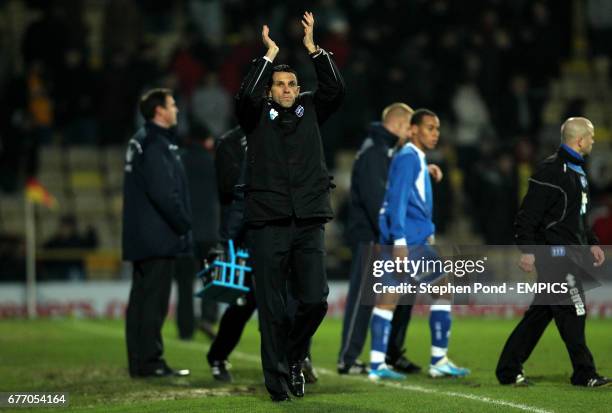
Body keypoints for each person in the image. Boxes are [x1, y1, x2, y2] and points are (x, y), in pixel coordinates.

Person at [235, 12, 344, 401]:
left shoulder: (311, 109)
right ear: (270, 90)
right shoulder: (255, 116)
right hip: (268, 221)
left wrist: (313, 49)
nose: (285, 89)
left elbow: (335, 89)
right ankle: (278, 383)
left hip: (309, 218)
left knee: (315, 300)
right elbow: (244, 95)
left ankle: (295, 356)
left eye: (291, 84)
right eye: (279, 85)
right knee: (272, 307)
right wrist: (269, 55)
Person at [496, 117, 611, 388]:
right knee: (575, 310)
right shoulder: (550, 171)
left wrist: (591, 241)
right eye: (591, 136)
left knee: (540, 315)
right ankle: (584, 372)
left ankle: (508, 369)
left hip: (570, 254)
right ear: (580, 140)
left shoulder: (577, 171)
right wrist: (527, 250)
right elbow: (527, 217)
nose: (594, 140)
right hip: (555, 256)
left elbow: (578, 216)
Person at [375, 109, 470, 380]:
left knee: (389, 298)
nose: (435, 133)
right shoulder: (408, 157)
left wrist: (425, 170)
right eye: (430, 127)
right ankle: (437, 360)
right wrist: (401, 241)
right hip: (409, 241)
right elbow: (398, 200)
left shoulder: (413, 157)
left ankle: (377, 363)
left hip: (409, 238)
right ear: (413, 130)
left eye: (437, 128)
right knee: (441, 289)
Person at [338, 103, 421, 376]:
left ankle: (387, 354)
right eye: (409, 127)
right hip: (370, 236)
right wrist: (393, 238)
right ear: (398, 125)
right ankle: (348, 358)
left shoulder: (383, 150)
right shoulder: (375, 152)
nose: (410, 134)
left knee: (395, 295)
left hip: (380, 234)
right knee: (363, 298)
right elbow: (377, 202)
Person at [123, 88, 191, 378]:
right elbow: (164, 192)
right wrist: (183, 223)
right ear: (159, 111)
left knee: (140, 301)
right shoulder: (155, 144)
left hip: (143, 234)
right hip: (158, 235)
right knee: (153, 302)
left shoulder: (141, 141)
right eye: (173, 105)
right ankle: (150, 362)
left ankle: (139, 361)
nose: (176, 109)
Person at [175, 124, 220, 341]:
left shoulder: (179, 162)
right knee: (211, 280)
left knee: (184, 284)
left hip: (185, 233)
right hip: (210, 231)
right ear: (206, 141)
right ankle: (208, 318)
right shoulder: (213, 163)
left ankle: (185, 328)